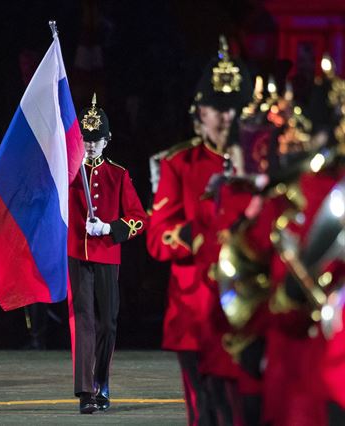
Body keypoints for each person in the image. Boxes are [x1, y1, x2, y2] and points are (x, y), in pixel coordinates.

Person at [146, 36, 252, 425]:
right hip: (196, 315)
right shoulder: (180, 164)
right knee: (206, 414)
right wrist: (204, 232)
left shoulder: (264, 162)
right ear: (199, 112)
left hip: (252, 315)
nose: (226, 118)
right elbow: (158, 239)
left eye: (235, 108)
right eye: (217, 108)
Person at [67, 93, 148, 414]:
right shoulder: (70, 173)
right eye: (86, 140)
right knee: (84, 319)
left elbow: (139, 218)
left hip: (107, 254)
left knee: (108, 323)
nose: (91, 145)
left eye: (96, 140)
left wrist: (110, 228)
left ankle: (102, 382)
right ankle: (87, 391)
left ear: (107, 140)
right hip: (76, 253)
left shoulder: (118, 174)